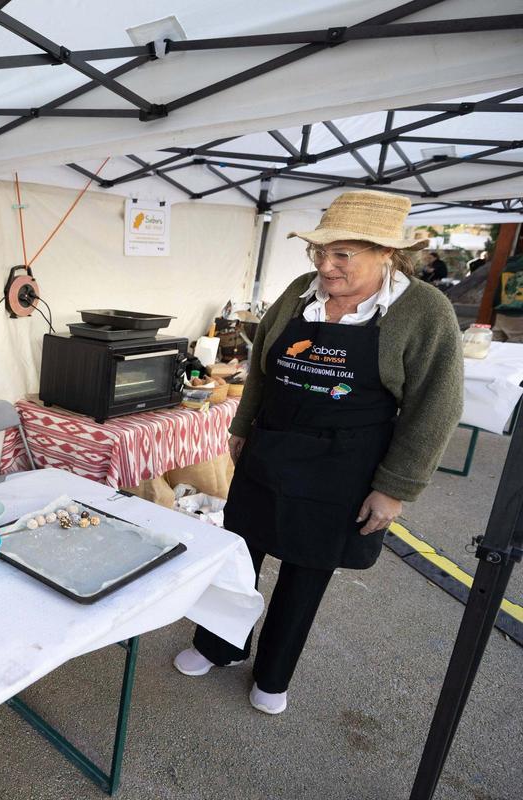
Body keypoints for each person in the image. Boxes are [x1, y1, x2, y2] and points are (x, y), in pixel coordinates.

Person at [173, 190, 462, 715]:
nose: (324, 266)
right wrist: (243, 424)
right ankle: (218, 646)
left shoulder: (423, 310)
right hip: (271, 446)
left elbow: (435, 408)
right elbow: (261, 367)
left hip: (344, 464)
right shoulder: (299, 293)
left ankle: (274, 672)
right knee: (239, 553)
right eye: (318, 253)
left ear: (386, 255)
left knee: (308, 569)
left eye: (342, 255)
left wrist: (395, 488)